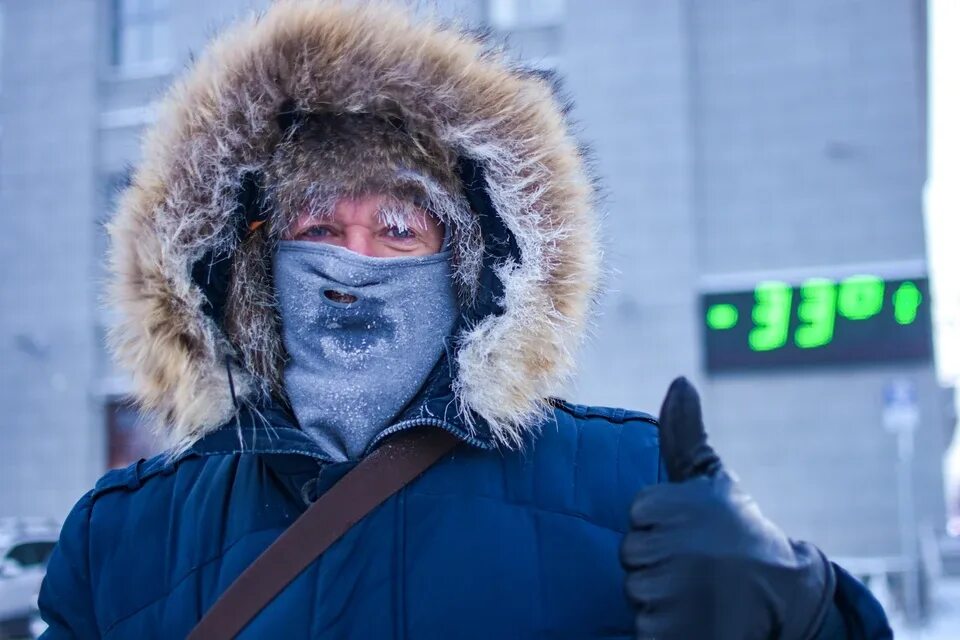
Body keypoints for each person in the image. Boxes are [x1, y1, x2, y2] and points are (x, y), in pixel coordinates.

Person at [39, 2, 891, 638]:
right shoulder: (124, 541)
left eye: (400, 229)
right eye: (318, 230)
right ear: (252, 268)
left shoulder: (626, 487)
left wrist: (799, 609)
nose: (354, 266)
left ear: (467, 262)